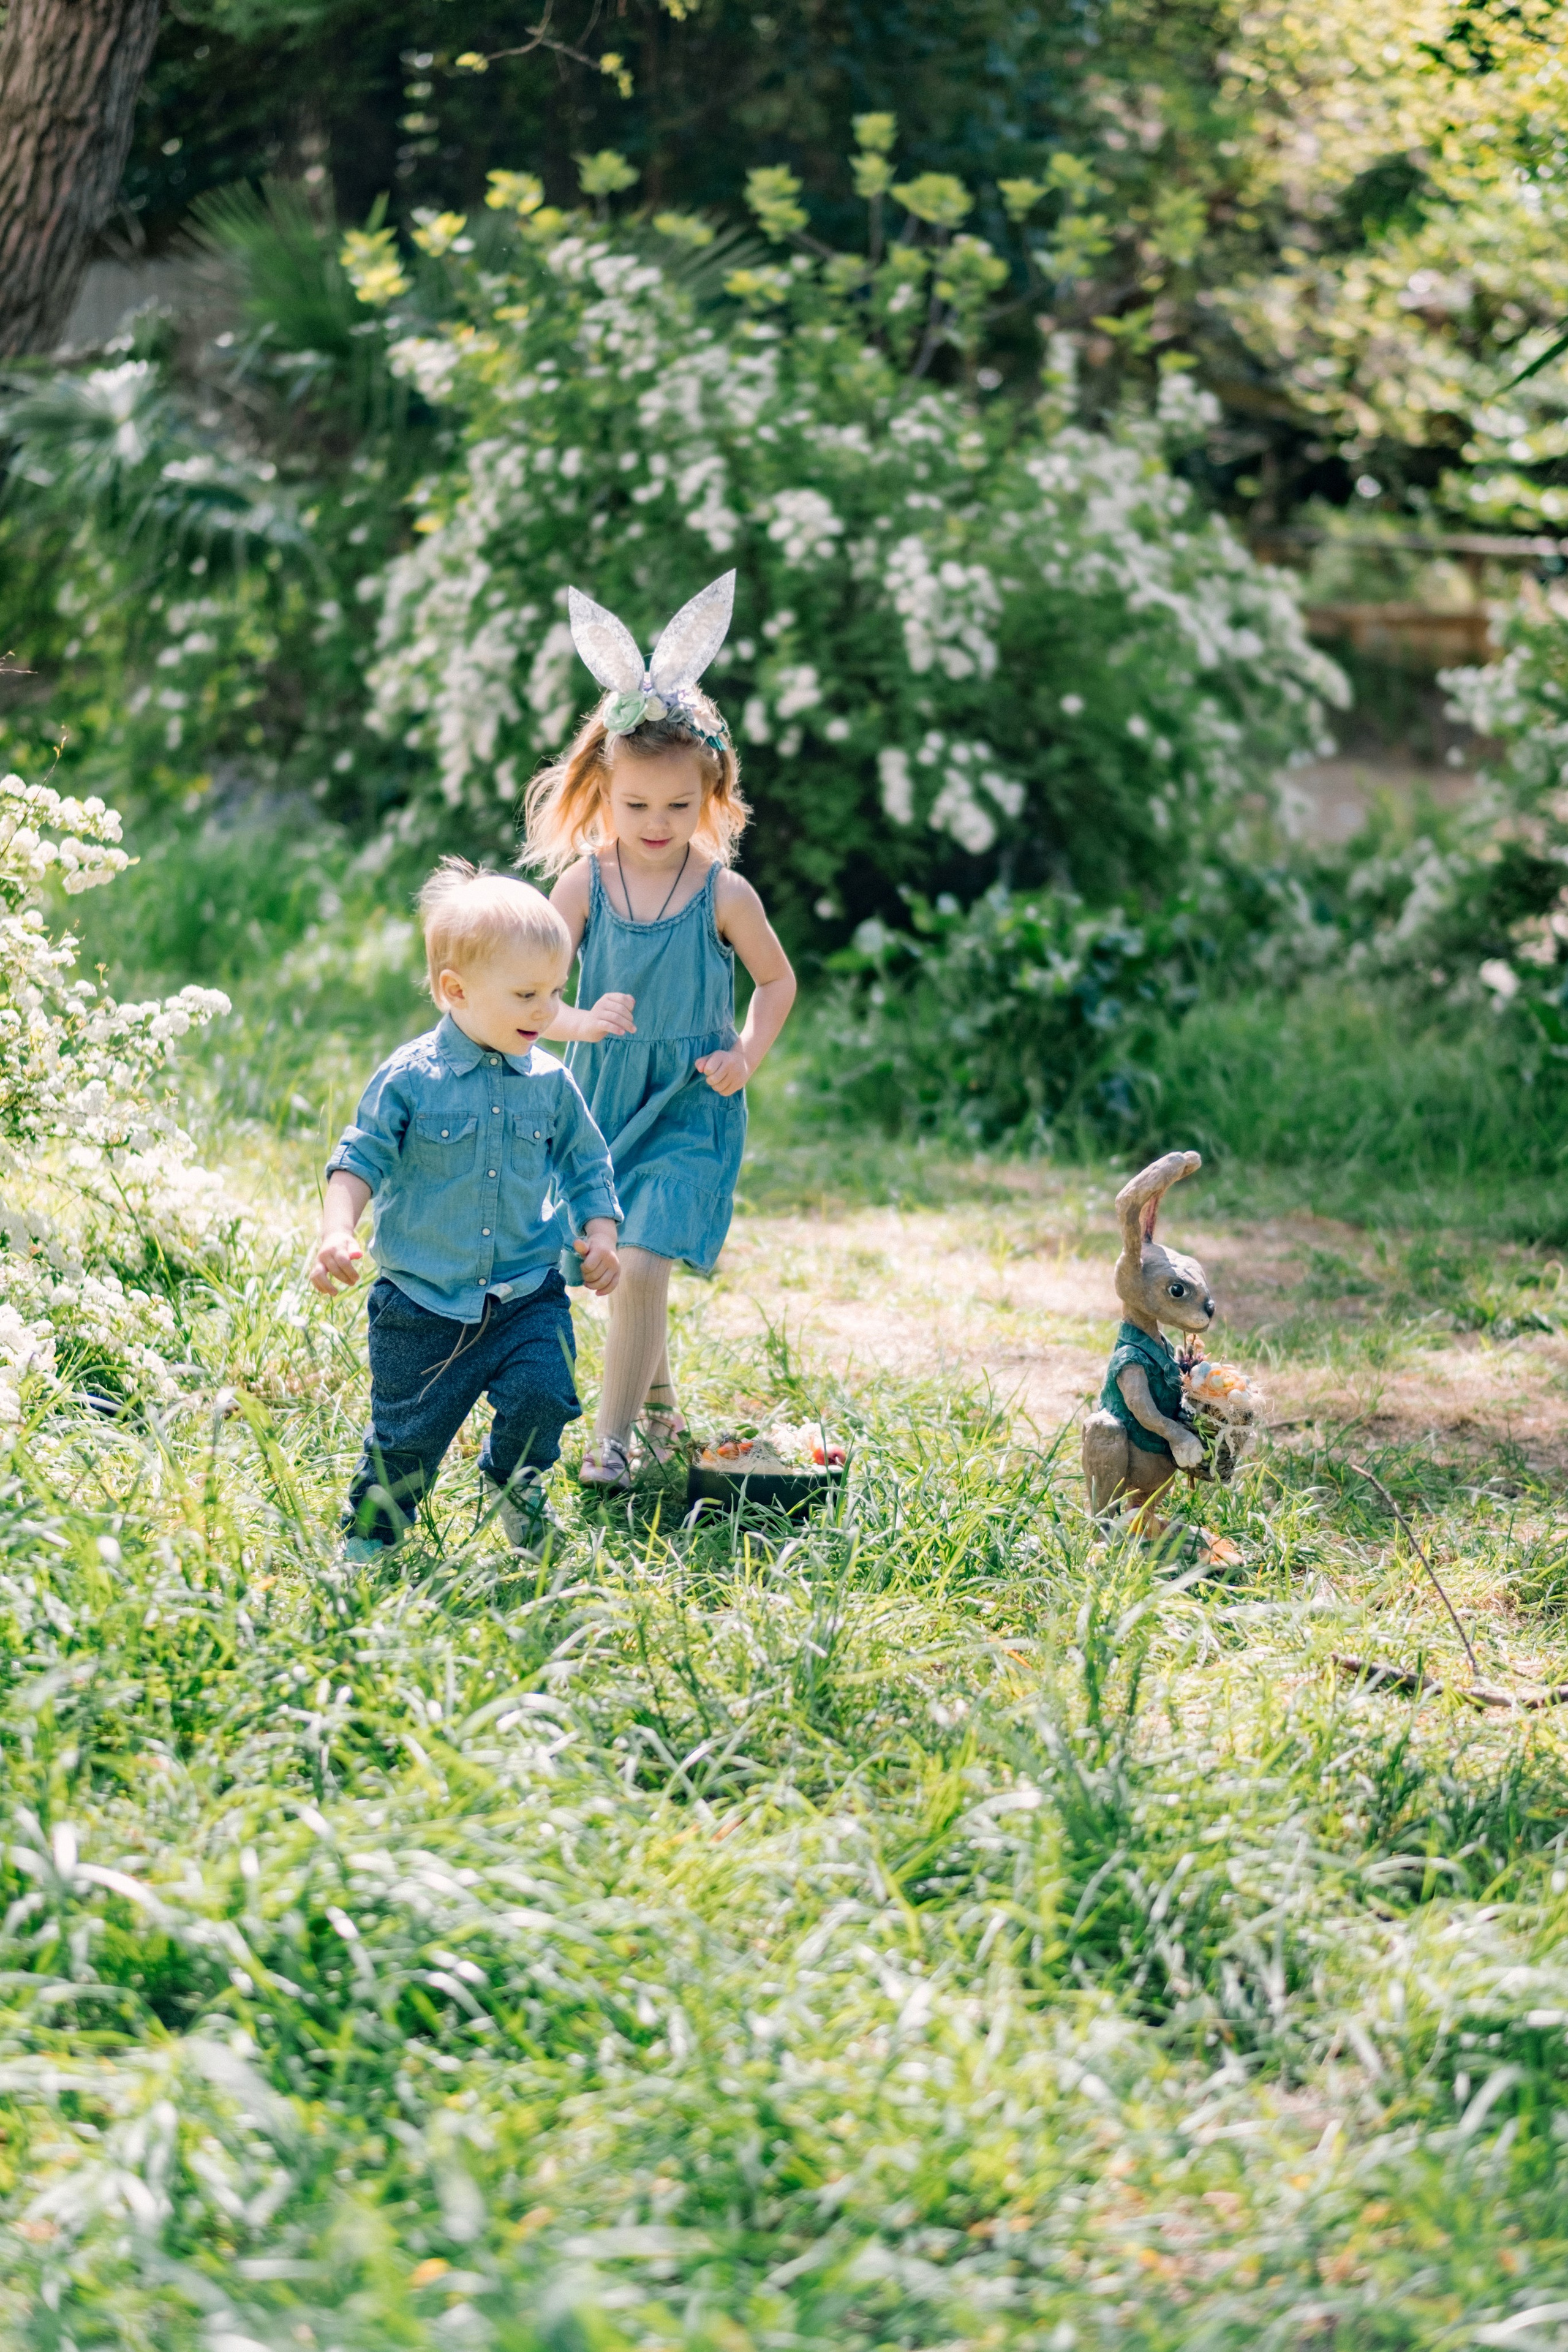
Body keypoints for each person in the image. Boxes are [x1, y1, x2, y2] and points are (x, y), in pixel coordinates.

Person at [524, 570, 796, 1493]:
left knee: (641, 1260)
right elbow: (532, 998)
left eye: (679, 807)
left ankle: (610, 1445)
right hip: (599, 1106)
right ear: (602, 792)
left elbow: (776, 980)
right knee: (622, 1271)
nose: (657, 823)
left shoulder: (723, 892)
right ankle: (662, 1406)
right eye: (636, 806)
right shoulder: (581, 887)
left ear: (711, 793)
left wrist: (746, 1054)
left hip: (690, 1102)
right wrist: (575, 1019)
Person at [309, 861, 621, 1557]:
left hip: (525, 1295)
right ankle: (374, 1535)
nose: (547, 1012)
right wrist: (337, 1231)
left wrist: (599, 1232)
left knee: (546, 1394)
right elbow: (357, 1160)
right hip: (421, 1303)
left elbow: (586, 1162)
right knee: (407, 1440)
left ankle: (514, 1478)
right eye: (525, 995)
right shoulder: (410, 1079)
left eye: (555, 992)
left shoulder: (551, 1082)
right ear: (456, 990)